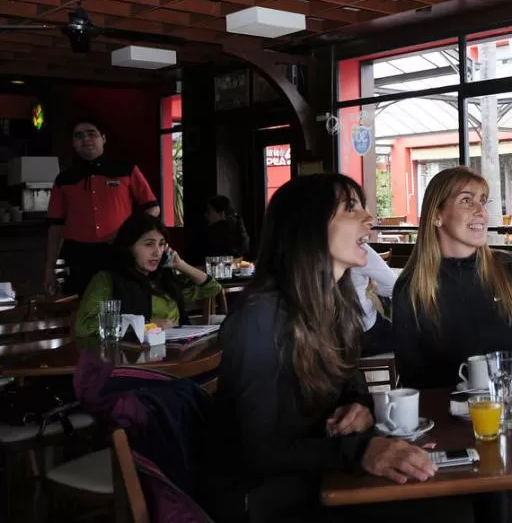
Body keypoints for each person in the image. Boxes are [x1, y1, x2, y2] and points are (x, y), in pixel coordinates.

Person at [200, 174, 474, 523]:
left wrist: (357, 404)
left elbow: (349, 381)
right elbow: (260, 451)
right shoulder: (259, 320)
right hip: (262, 497)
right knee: (448, 509)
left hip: (318, 470)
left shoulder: (336, 304)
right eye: (350, 208)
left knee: (456, 492)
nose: (369, 218)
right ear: (308, 228)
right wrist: (362, 450)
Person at [392, 165, 512, 390]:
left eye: (483, 201)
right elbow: (413, 378)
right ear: (437, 216)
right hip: (446, 418)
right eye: (467, 201)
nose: (481, 212)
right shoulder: (410, 289)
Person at [45, 119, 159, 296]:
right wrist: (49, 268)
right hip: (78, 255)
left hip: (118, 250)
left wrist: (132, 235)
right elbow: (55, 227)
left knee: (123, 299)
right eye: (79, 136)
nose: (86, 139)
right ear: (74, 143)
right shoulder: (64, 179)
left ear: (103, 138)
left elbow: (152, 208)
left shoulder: (126, 169)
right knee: (81, 304)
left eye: (92, 133)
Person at [75, 213, 222, 337]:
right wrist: (146, 325)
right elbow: (85, 326)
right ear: (129, 246)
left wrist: (181, 265)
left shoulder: (164, 280)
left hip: (176, 354)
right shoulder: (108, 279)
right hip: (132, 360)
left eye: (161, 244)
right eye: (149, 244)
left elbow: (212, 288)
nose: (157, 252)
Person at [353, 243, 397, 356]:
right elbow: (393, 286)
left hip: (320, 341)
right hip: (361, 337)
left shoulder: (307, 248)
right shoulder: (356, 247)